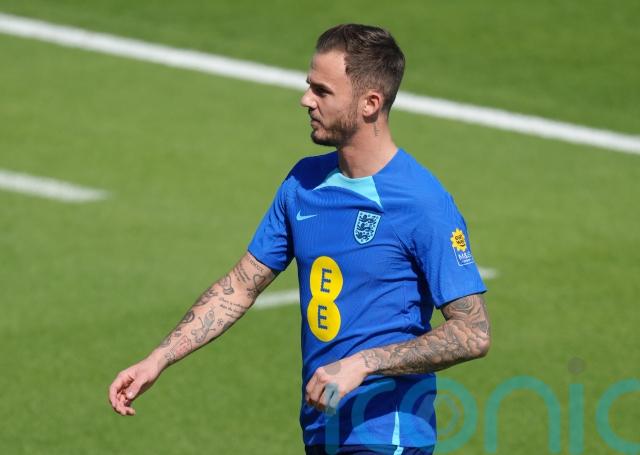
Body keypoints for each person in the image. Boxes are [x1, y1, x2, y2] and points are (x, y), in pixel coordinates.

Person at [108, 24, 491, 455]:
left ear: (370, 103)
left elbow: (472, 332)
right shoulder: (303, 184)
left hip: (387, 434)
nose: (306, 100)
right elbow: (240, 286)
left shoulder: (421, 202)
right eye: (310, 86)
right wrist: (158, 358)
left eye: (322, 91)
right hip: (322, 429)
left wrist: (363, 364)